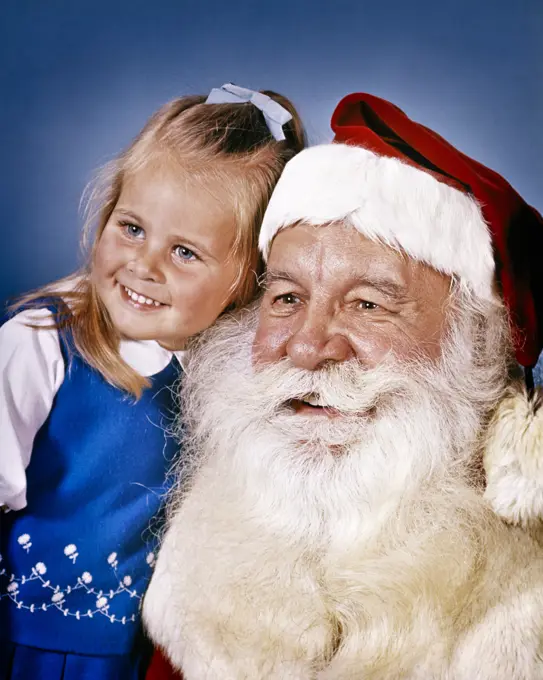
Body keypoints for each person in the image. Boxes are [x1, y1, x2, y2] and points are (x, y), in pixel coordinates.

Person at [143, 92, 543, 679]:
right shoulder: (199, 541)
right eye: (285, 298)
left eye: (368, 304)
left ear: (477, 345)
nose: (305, 348)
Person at [0, 83, 305, 679]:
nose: (144, 264)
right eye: (132, 228)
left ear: (245, 280)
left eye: (185, 252)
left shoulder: (228, 381)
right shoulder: (42, 343)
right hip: (34, 643)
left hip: (148, 657)